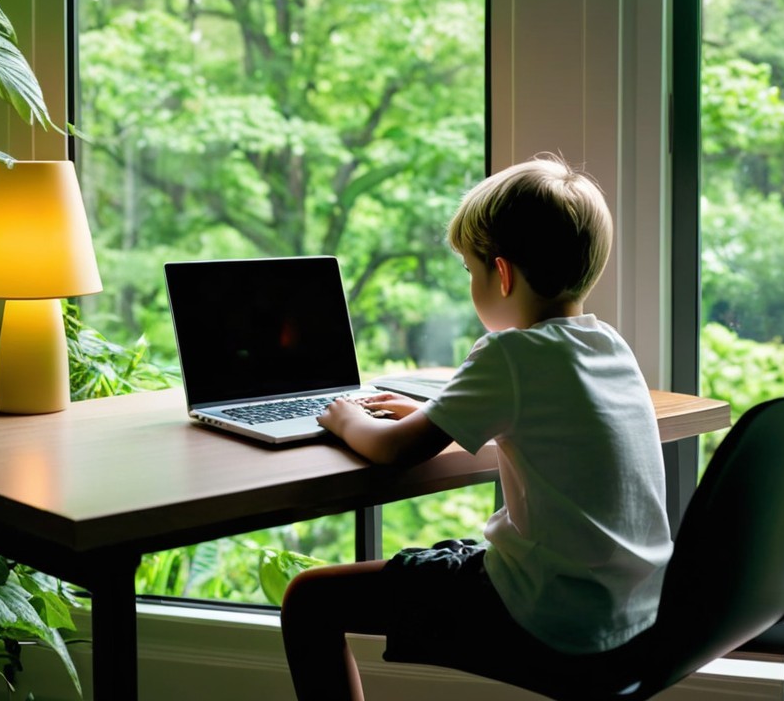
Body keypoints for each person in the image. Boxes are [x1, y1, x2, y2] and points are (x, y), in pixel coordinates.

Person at [280, 154, 672, 700]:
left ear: (503, 274)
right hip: (631, 618)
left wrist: (347, 418)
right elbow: (553, 422)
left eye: (471, 269)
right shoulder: (608, 344)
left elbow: (395, 451)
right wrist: (442, 408)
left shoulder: (509, 353)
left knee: (309, 600)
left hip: (548, 619)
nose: (471, 283)